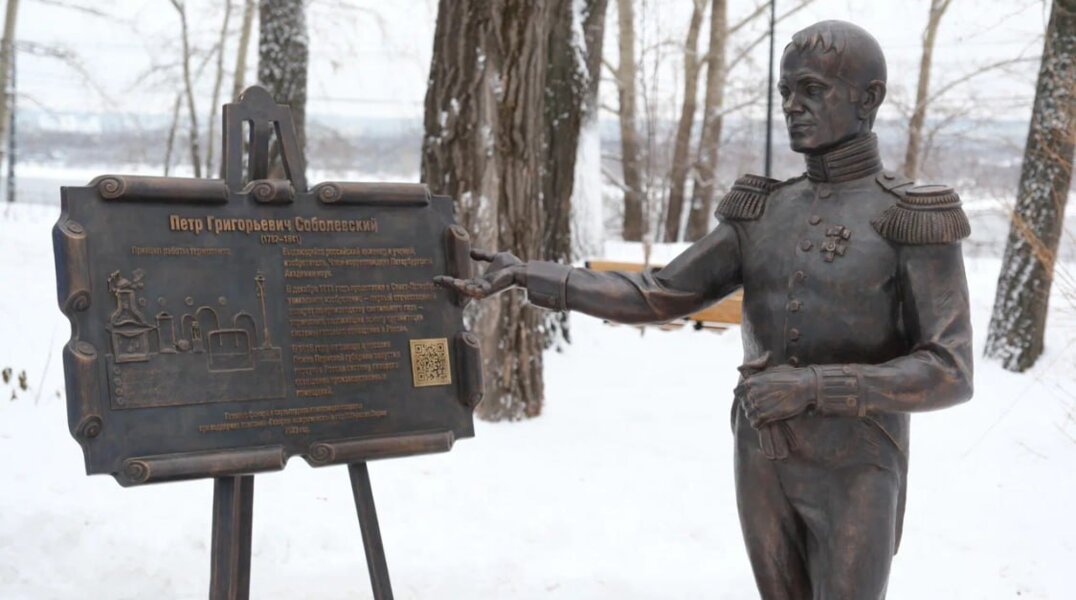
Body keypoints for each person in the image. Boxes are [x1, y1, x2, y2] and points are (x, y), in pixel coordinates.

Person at [436, 20, 973, 600]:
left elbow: (950, 371)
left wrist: (817, 387)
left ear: (868, 98)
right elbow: (657, 293)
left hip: (859, 462)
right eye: (785, 91)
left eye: (812, 90)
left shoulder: (913, 217)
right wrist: (529, 275)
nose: (792, 105)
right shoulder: (764, 212)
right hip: (762, 453)